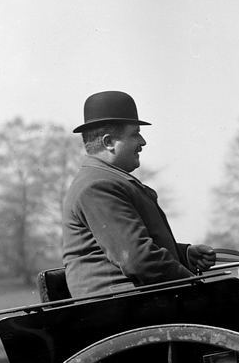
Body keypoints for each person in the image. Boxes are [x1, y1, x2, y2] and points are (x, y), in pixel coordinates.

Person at [61, 90, 216, 297]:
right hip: (125, 305)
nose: (142, 142)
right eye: (135, 133)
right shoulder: (98, 186)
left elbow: (129, 248)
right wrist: (197, 287)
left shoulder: (104, 180)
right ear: (109, 143)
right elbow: (139, 260)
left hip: (132, 300)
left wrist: (184, 255)